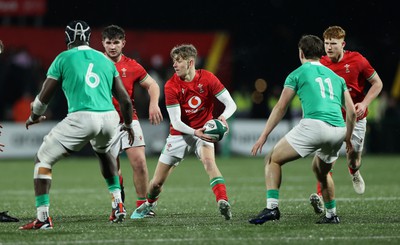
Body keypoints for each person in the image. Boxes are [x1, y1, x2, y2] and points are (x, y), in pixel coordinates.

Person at [18, 20, 135, 230]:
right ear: (89, 38)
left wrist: (34, 115)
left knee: (42, 159)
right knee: (104, 152)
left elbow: (45, 95)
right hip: (109, 117)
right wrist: (128, 124)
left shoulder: (63, 58)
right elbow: (125, 100)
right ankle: (118, 204)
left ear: (67, 39)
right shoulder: (105, 59)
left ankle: (43, 218)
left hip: (82, 116)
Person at [248, 35, 356, 225]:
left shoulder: (297, 73)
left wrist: (264, 136)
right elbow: (352, 112)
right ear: (321, 53)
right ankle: (332, 215)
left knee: (272, 159)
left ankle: (272, 208)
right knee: (320, 171)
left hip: (315, 125)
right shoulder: (337, 78)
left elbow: (281, 107)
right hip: (338, 129)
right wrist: (347, 138)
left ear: (301, 52)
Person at [130, 44, 237, 220]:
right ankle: (148, 203)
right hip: (180, 135)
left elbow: (231, 104)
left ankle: (222, 201)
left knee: (209, 163)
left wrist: (222, 118)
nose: (174, 65)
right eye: (174, 61)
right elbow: (176, 122)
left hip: (204, 131)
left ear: (190, 62)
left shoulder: (208, 78)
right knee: (156, 183)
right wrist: (196, 132)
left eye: (178, 61)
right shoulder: (171, 85)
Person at [309, 26, 383, 214]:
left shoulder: (357, 60)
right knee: (326, 159)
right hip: (331, 119)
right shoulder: (320, 63)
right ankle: (320, 196)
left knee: (353, 159)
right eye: (326, 43)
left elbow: (377, 83)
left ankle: (354, 172)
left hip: (356, 118)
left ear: (343, 44)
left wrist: (365, 104)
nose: (329, 47)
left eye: (333, 44)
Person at [101, 25, 163, 219]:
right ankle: (118, 200)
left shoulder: (132, 65)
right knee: (113, 169)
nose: (112, 47)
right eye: (109, 42)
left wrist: (154, 104)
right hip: (103, 122)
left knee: (140, 163)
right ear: (103, 43)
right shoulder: (95, 63)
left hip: (129, 119)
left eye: (116, 42)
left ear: (123, 43)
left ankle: (143, 206)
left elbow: (152, 84)